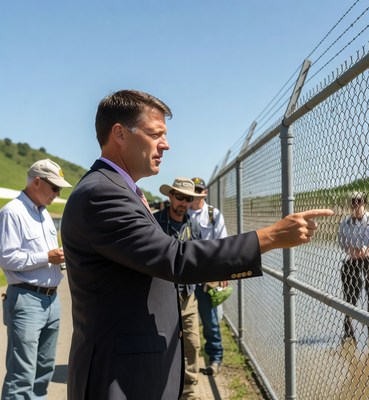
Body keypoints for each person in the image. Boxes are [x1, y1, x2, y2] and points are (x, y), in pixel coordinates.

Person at [60, 89, 333, 400]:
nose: (166, 144)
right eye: (155, 134)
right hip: (120, 378)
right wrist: (270, 237)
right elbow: (174, 259)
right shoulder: (102, 194)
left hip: (132, 371)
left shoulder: (120, 190)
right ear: (120, 134)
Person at [0, 158, 72, 399]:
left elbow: (49, 257)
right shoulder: (12, 212)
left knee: (44, 371)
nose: (57, 193)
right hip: (27, 299)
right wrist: (46, 257)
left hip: (51, 302)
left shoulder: (44, 215)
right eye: (54, 188)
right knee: (22, 375)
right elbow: (7, 258)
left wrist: (59, 259)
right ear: (37, 182)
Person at [154, 177, 205, 400]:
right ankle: (162, 389)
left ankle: (189, 392)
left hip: (187, 297)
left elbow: (201, 258)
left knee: (192, 344)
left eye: (188, 199)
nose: (183, 202)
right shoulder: (155, 222)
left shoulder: (194, 226)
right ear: (170, 197)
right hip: (161, 297)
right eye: (180, 197)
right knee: (161, 345)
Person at [188, 177, 227, 376]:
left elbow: (221, 243)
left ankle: (215, 359)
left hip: (206, 275)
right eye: (193, 190)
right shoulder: (182, 211)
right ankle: (185, 362)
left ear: (204, 192)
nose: (196, 194)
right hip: (186, 274)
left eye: (199, 190)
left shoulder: (213, 214)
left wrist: (222, 272)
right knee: (184, 321)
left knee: (210, 320)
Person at [338, 191, 369, 343]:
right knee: (350, 291)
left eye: (359, 201)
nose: (356, 204)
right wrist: (351, 250)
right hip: (352, 260)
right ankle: (348, 329)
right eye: (354, 201)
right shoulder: (345, 222)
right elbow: (342, 242)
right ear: (350, 204)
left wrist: (367, 249)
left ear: (364, 202)